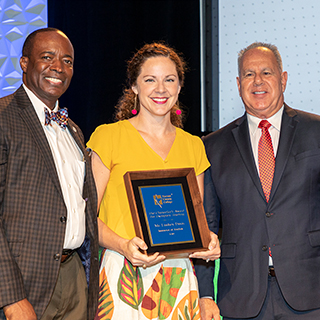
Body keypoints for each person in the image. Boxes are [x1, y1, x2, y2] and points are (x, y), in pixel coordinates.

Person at [87, 42, 221, 320]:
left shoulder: (193, 145)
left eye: (169, 80)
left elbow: (195, 222)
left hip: (178, 278)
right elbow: (86, 216)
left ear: (180, 86)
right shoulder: (108, 137)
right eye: (150, 80)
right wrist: (124, 245)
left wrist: (208, 242)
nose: (161, 89)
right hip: (123, 270)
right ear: (134, 87)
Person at [199, 41, 320, 319]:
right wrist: (206, 295)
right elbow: (207, 227)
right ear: (239, 83)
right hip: (240, 296)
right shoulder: (212, 147)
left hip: (311, 292)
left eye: (266, 72)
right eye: (249, 74)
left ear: (283, 79)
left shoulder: (316, 131)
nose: (258, 81)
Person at [0, 28, 98, 320]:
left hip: (74, 277)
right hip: (24, 283)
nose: (58, 67)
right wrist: (11, 296)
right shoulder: (3, 118)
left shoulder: (73, 130)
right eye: (47, 57)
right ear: (24, 63)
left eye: (67, 61)